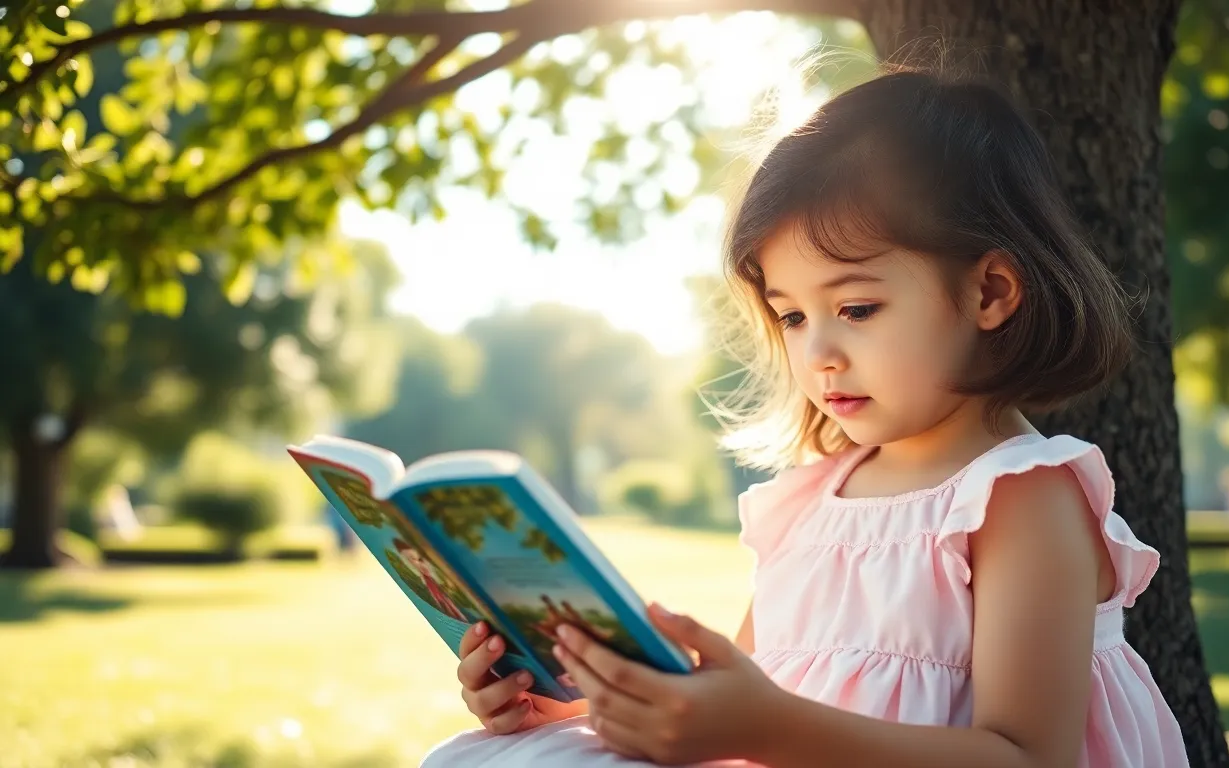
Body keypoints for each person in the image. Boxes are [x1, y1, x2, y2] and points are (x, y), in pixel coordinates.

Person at [421, 63, 1190, 768]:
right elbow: (756, 695)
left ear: (989, 293)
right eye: (790, 317)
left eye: (856, 307)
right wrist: (568, 698)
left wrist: (764, 726)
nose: (817, 352)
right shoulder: (813, 499)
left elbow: (1028, 758)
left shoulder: (1019, 494)